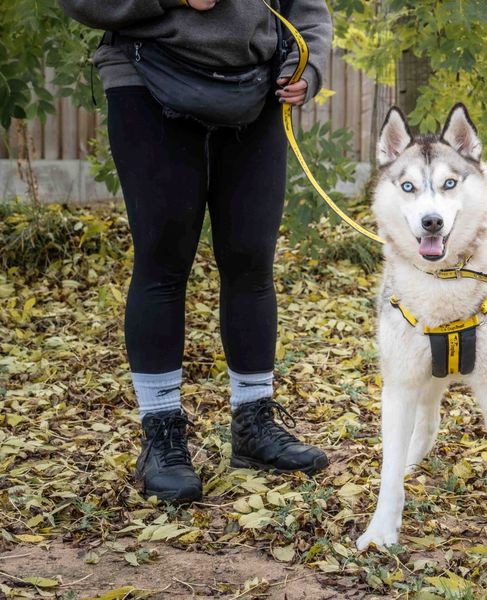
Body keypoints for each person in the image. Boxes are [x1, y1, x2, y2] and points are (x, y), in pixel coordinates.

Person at [59, 0, 332, 503]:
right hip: (147, 75)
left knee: (252, 261)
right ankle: (161, 436)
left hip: (256, 90)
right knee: (163, 261)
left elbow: (307, 9)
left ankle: (253, 427)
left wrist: (307, 66)